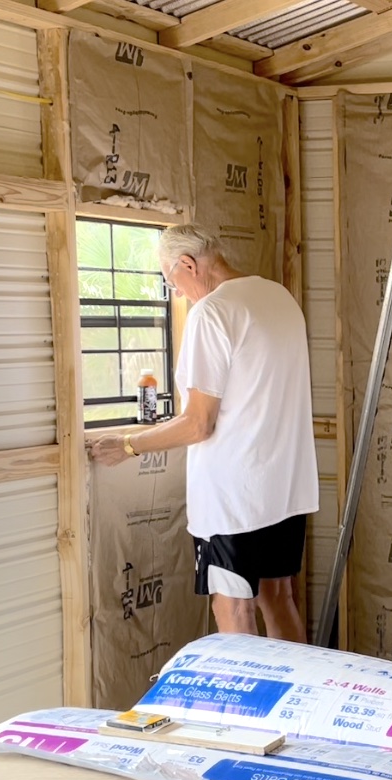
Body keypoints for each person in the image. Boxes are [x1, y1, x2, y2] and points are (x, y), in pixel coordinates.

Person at [89, 224, 319, 642]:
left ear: (188, 265)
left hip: (234, 497)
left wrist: (127, 444)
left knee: (233, 607)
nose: (176, 292)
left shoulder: (211, 312)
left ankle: (245, 708)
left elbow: (198, 423)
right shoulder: (277, 296)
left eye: (170, 279)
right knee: (279, 598)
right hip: (285, 488)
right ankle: (296, 704)